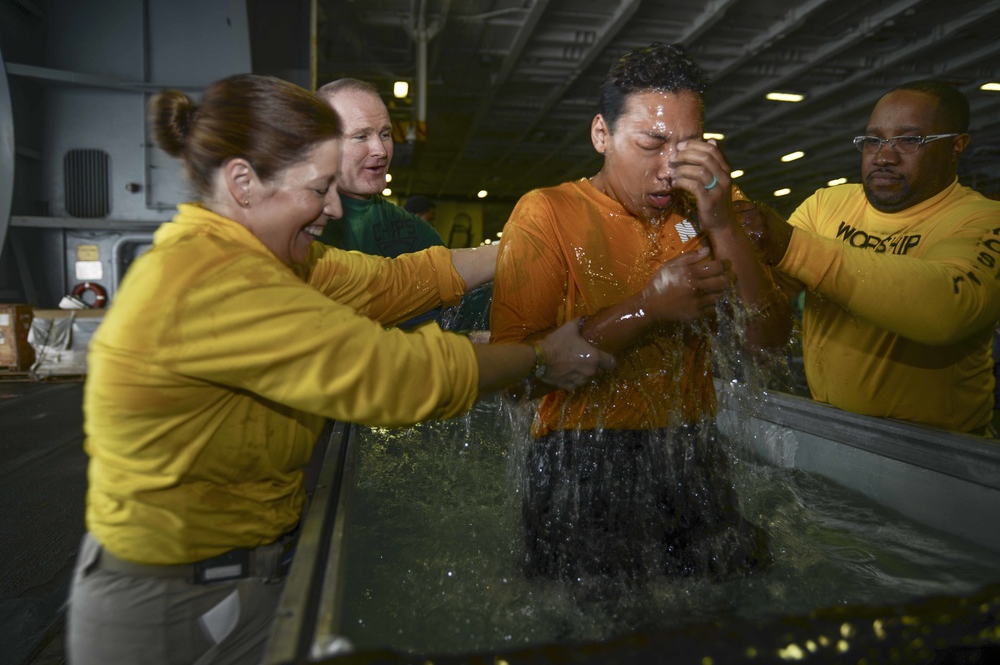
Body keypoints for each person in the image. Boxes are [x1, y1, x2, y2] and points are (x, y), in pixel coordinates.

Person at [65, 73, 614, 665]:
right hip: (172, 610)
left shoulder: (266, 256)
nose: (332, 207)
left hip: (230, 577)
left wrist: (531, 247)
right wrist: (539, 357)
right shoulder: (212, 281)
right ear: (243, 183)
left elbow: (395, 281)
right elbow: (393, 375)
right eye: (319, 188)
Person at [490, 44, 791, 585]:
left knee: (733, 600)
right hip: (579, 458)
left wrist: (722, 222)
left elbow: (767, 343)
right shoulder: (548, 213)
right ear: (601, 134)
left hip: (691, 449)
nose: (672, 166)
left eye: (691, 146)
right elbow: (516, 381)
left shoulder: (707, 205)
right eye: (652, 143)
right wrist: (647, 310)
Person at [745, 80, 1000, 436]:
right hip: (834, 431)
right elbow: (766, 298)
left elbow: (948, 309)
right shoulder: (827, 205)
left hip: (939, 454)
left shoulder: (983, 220)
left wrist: (790, 245)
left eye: (910, 140)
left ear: (957, 146)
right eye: (873, 140)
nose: (884, 156)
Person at [315, 78, 448, 328]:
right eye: (361, 136)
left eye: (385, 134)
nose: (381, 150)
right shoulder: (297, 229)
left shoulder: (413, 232)